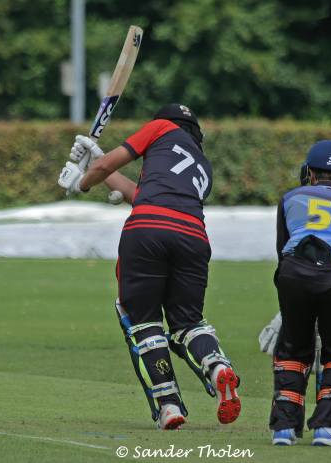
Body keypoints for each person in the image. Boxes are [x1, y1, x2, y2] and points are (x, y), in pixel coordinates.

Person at [58, 104, 241, 430]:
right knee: (187, 323)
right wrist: (96, 163)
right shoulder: (203, 164)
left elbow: (111, 169)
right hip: (193, 237)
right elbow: (138, 192)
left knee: (141, 320)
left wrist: (82, 182)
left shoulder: (160, 128)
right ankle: (217, 367)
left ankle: (168, 406)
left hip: (146, 230)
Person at [268, 140, 331, 446]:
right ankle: (327, 426)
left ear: (309, 173)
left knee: (292, 348)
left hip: (293, 275)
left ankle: (284, 429)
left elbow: (283, 252)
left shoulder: (291, 198)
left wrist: (289, 307)